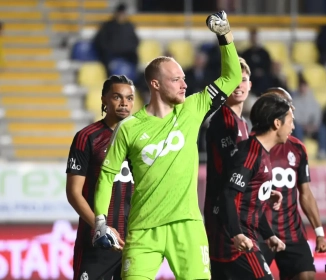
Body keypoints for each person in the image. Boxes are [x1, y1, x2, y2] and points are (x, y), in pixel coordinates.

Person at [92, 11, 242, 280]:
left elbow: (231, 79)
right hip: (142, 231)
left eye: (184, 78)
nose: (185, 85)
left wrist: (225, 35)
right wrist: (100, 221)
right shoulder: (129, 127)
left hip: (188, 226)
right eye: (176, 80)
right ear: (155, 84)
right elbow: (107, 175)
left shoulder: (193, 108)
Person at [213, 94, 292, 280]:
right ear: (277, 123)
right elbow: (228, 195)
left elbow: (251, 201)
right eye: (290, 121)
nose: (293, 127)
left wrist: (268, 235)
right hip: (237, 243)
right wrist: (236, 234)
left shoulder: (261, 152)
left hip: (243, 237)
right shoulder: (251, 152)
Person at [66, 75, 135, 280]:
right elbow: (73, 192)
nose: (124, 103)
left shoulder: (142, 139)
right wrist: (100, 227)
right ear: (104, 99)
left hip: (134, 243)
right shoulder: (87, 137)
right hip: (96, 243)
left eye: (130, 98)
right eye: (117, 97)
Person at [260, 88, 326, 280]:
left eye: (290, 105)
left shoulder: (298, 148)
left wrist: (319, 233)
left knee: (306, 276)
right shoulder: (253, 145)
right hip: (260, 232)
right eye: (285, 105)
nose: (291, 110)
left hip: (291, 231)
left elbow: (305, 193)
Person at [204, 57, 253, 278]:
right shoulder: (222, 119)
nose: (239, 85)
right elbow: (234, 168)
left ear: (250, 84)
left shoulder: (243, 122)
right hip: (222, 213)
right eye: (234, 80)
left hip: (235, 212)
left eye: (243, 79)